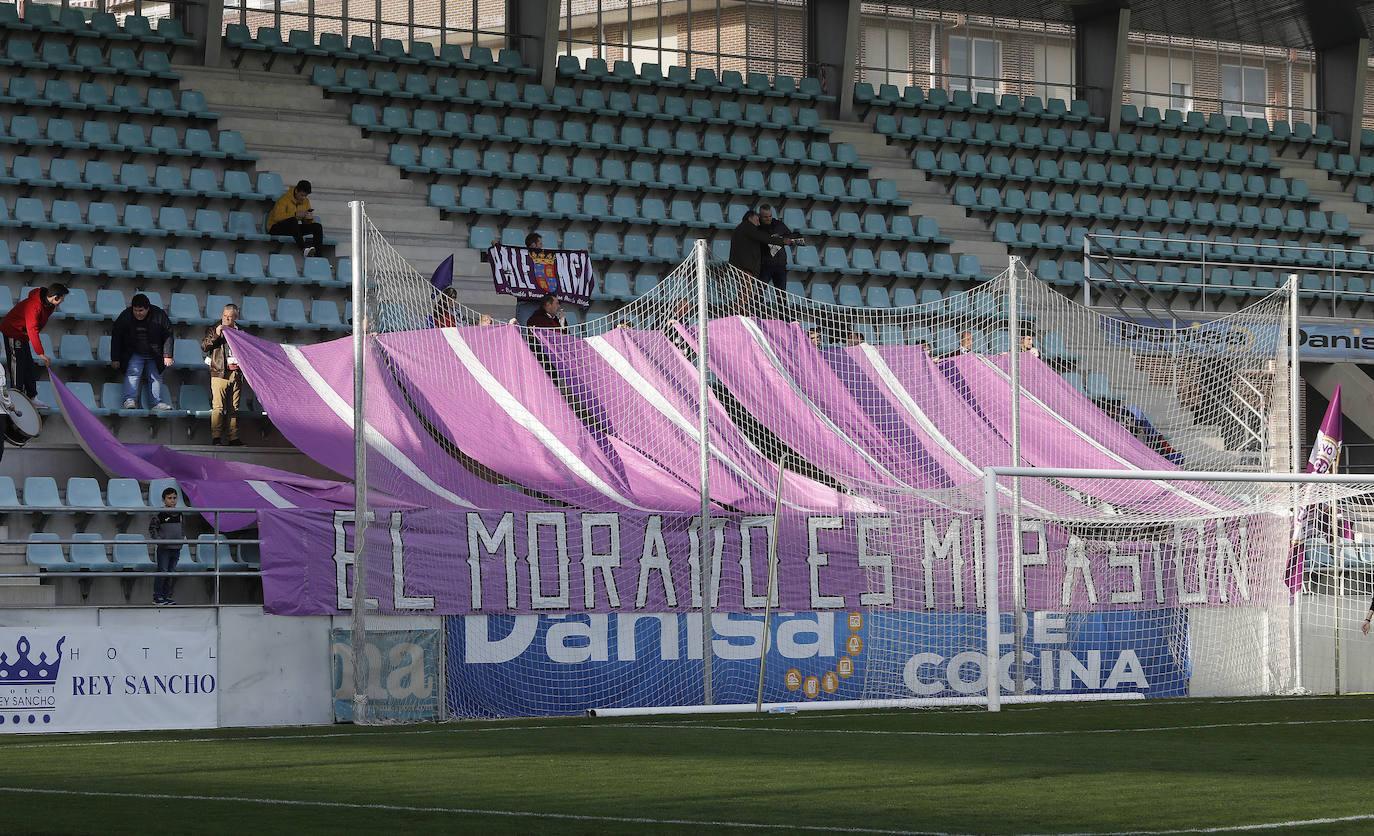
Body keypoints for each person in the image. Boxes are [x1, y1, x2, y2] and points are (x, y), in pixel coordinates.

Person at [0, 283, 66, 409]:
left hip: (22, 334)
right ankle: (15, 399)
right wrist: (41, 353)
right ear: (55, 297)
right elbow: (32, 329)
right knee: (18, 365)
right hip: (13, 332)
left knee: (29, 365)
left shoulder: (49, 306)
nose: (63, 300)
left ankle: (32, 397)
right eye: (62, 298)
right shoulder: (34, 305)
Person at [110, 293, 175, 411]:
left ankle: (156, 403)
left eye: (141, 310)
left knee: (156, 377)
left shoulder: (159, 315)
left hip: (155, 353)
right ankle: (129, 400)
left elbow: (168, 335)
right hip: (134, 352)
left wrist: (168, 355)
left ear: (147, 308)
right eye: (135, 310)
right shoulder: (125, 315)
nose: (138, 313)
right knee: (132, 375)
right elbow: (116, 336)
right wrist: (115, 358)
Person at [201, 303, 245, 446]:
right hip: (219, 372)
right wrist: (217, 335)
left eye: (229, 317)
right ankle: (216, 437)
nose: (226, 319)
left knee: (234, 408)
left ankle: (233, 437)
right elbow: (205, 346)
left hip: (235, 372)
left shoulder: (241, 331)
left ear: (235, 318)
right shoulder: (214, 328)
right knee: (218, 407)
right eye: (224, 316)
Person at [266, 179, 323, 257]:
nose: (304, 198)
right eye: (302, 195)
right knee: (293, 220)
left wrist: (308, 219)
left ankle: (318, 256)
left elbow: (306, 223)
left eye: (306, 196)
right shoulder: (284, 199)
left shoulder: (306, 201)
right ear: (296, 191)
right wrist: (295, 214)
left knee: (317, 226)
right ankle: (304, 249)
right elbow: (277, 217)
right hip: (275, 227)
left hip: (292, 228)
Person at [148, 486, 184, 605]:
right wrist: (160, 540)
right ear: (163, 500)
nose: (172, 500)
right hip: (164, 549)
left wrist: (181, 540)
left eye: (174, 498)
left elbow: (182, 528)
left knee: (171, 572)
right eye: (169, 498)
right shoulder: (160, 514)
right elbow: (153, 529)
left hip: (176, 548)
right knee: (162, 571)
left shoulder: (179, 514)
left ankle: (166, 595)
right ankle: (157, 596)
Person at [756, 204, 794, 291]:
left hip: (780, 264)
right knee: (760, 293)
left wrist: (782, 239)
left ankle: (781, 305)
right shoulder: (757, 227)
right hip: (765, 265)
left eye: (770, 216)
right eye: (765, 217)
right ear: (760, 216)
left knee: (781, 294)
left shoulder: (779, 224)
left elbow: (790, 235)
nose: (768, 218)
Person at [514, 232, 546, 326]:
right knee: (523, 331)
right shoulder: (519, 258)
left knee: (542, 334)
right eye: (540, 244)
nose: (542, 246)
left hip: (540, 302)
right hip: (525, 302)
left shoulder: (544, 259)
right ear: (533, 245)